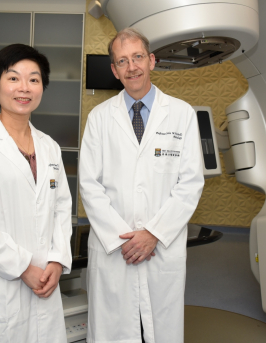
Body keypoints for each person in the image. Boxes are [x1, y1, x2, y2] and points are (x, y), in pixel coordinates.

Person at [79, 28, 205, 343]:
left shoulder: (181, 115)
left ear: (151, 61)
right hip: (114, 246)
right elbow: (89, 185)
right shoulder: (99, 118)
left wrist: (153, 234)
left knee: (161, 328)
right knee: (113, 329)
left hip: (161, 245)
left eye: (137, 57)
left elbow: (190, 183)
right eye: (122, 61)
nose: (131, 67)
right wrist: (123, 239)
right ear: (114, 70)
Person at [0, 44, 73, 342]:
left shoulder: (50, 146)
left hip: (45, 278)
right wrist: (23, 267)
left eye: (34, 79)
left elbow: (61, 209)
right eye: (13, 78)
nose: (24, 88)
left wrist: (57, 260)